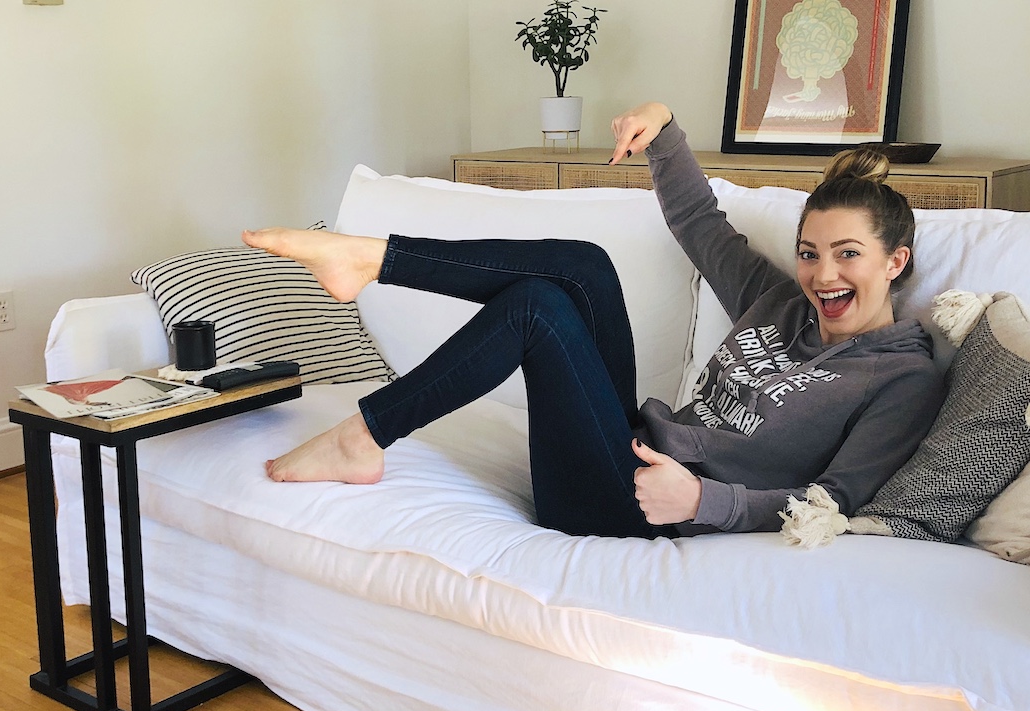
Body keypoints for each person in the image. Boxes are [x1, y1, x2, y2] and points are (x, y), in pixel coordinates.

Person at [242, 101, 945, 540]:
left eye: (848, 255)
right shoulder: (781, 301)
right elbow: (700, 223)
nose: (824, 274)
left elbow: (835, 500)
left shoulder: (902, 375)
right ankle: (372, 257)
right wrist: (663, 128)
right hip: (630, 448)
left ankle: (365, 435)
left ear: (894, 261)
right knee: (581, 263)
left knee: (538, 311)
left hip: (643, 509)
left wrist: (706, 498)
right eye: (811, 253)